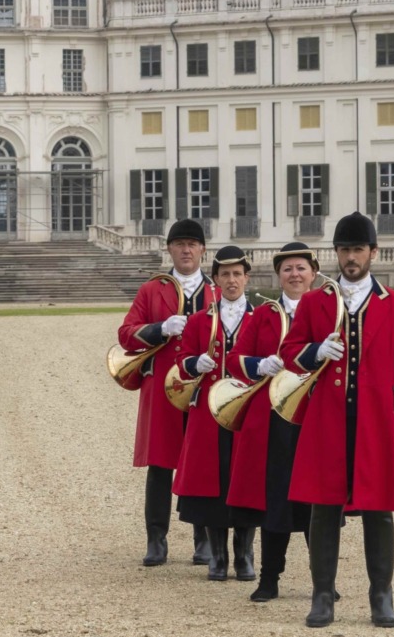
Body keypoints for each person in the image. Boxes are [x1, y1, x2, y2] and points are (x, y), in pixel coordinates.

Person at [280, 213, 394, 629]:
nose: (350, 257)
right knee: (323, 509)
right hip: (327, 420)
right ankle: (322, 595)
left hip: (377, 423)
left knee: (379, 510)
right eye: (344, 250)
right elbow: (290, 352)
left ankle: (381, 595)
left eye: (357, 249)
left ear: (372, 253)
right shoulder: (315, 302)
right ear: (336, 253)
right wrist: (313, 353)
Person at [223, 242, 319, 601]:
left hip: (314, 417)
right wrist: (258, 364)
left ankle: (321, 579)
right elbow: (234, 360)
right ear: (279, 276)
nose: (295, 275)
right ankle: (270, 578)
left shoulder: (329, 310)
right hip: (275, 418)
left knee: (318, 500)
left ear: (313, 272)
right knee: (276, 499)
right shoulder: (264, 315)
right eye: (287, 269)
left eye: (300, 268)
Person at [119, 219, 214, 567]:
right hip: (163, 385)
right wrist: (160, 328)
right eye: (179, 244)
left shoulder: (216, 290)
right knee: (160, 465)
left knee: (202, 461)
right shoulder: (152, 289)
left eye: (192, 244)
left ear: (202, 249)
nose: (186, 250)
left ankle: (202, 537)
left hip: (204, 385)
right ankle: (156, 539)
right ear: (169, 249)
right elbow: (126, 333)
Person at [173, 245, 257, 581]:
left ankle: (244, 555)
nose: (232, 280)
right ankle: (218, 556)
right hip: (208, 412)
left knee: (246, 481)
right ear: (216, 280)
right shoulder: (199, 320)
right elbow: (182, 362)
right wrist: (195, 363)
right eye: (225, 274)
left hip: (246, 411)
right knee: (212, 484)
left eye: (237, 274)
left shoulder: (261, 317)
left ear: (247, 278)